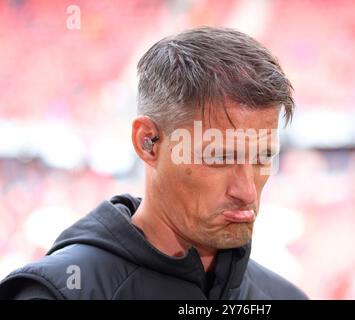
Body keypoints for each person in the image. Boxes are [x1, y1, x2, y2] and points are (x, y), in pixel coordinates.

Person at [0, 27, 308, 300]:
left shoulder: (285, 296)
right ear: (147, 142)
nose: (247, 191)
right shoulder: (57, 293)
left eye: (264, 157)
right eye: (220, 156)